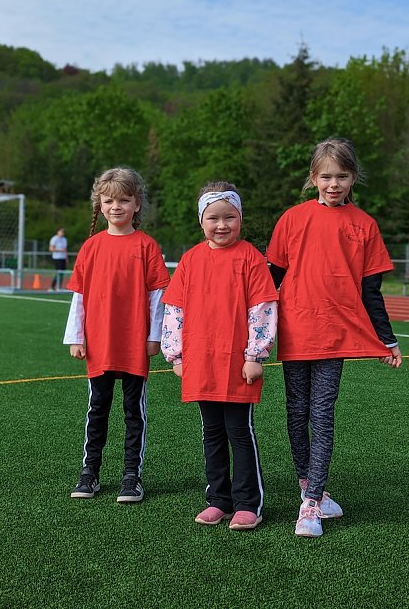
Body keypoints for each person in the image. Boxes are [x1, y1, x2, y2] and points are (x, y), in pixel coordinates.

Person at [266, 138, 402, 538]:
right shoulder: (292, 219)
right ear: (313, 179)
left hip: (335, 334)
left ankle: (310, 506)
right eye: (326, 176)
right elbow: (270, 278)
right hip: (295, 330)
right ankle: (310, 487)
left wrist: (386, 339)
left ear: (353, 178)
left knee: (322, 413)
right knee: (296, 411)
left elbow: (370, 291)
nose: (334, 183)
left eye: (342, 176)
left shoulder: (364, 226)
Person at [161, 182, 278, 531]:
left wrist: (255, 355)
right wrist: (176, 355)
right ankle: (218, 499)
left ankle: (248, 503)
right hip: (200, 360)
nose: (222, 225)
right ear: (201, 221)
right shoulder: (191, 259)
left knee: (239, 431)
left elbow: (263, 308)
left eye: (230, 217)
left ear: (240, 219)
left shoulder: (251, 259)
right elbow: (175, 310)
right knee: (211, 431)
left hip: (237, 362)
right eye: (213, 218)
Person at [62, 167, 170, 503]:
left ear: (137, 204)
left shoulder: (147, 246)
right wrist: (76, 337)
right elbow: (79, 297)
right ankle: (89, 473)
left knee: (132, 411)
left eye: (124, 200)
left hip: (134, 344)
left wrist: (155, 336)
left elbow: (157, 297)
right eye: (109, 200)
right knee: (97, 409)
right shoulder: (91, 247)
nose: (116, 206)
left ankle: (131, 477)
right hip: (99, 344)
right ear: (100, 204)